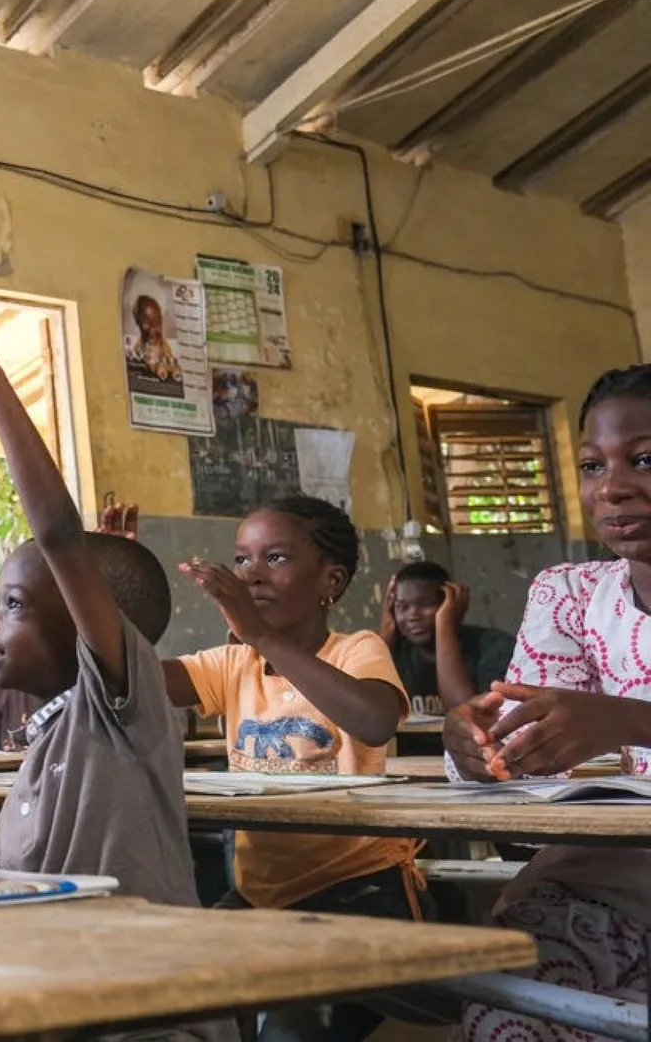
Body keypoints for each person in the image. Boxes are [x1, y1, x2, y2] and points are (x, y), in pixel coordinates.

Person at [0, 309, 204, 916]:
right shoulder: (44, 740)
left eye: (12, 606)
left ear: (87, 625)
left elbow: (59, 537)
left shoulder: (122, 708)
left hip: (150, 1001)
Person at [446, 366, 651, 1042]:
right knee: (516, 983)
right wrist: (483, 745)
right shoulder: (572, 594)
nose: (612, 488)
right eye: (593, 465)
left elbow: (610, 723)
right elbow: (534, 762)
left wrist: (626, 720)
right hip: (615, 883)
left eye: (645, 459)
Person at [164, 496, 417, 1042]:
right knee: (174, 1004)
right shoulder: (232, 664)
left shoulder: (357, 649)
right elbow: (131, 678)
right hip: (260, 894)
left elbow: (374, 721)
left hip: (357, 890)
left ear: (331, 580)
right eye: (241, 560)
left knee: (291, 1032)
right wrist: (110, 581)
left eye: (274, 558)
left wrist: (262, 635)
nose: (252, 575)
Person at [378, 562, 514, 715]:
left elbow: (465, 716)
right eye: (402, 607)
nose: (413, 616)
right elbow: (367, 713)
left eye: (426, 604)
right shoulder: (396, 650)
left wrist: (445, 626)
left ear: (451, 603)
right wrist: (386, 631)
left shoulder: (494, 646)